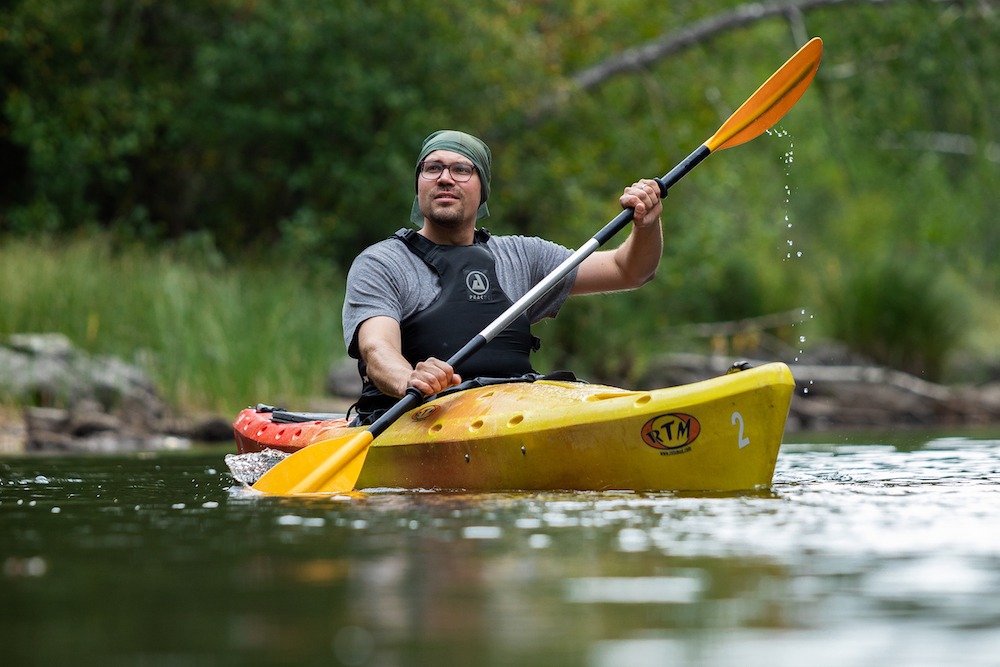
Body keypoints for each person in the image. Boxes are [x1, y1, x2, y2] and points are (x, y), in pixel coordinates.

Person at [342, 130, 663, 424]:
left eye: (461, 169)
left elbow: (629, 271)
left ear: (483, 190)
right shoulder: (383, 263)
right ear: (419, 185)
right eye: (432, 168)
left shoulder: (522, 256)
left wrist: (645, 226)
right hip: (413, 418)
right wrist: (409, 379)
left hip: (511, 410)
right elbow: (376, 348)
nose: (445, 179)